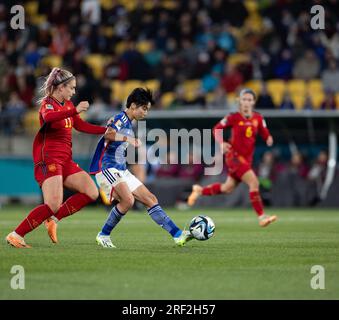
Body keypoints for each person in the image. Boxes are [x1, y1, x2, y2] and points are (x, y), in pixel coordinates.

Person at [6, 67, 107, 248]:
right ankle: (16, 235)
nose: (74, 91)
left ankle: (53, 219)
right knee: (53, 203)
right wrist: (75, 110)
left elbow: (81, 126)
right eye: (71, 88)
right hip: (49, 158)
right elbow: (49, 117)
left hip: (65, 160)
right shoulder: (48, 104)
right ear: (60, 87)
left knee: (91, 191)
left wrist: (106, 131)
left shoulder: (68, 105)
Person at [89, 88, 192, 248]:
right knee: (128, 200)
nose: (146, 113)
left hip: (121, 169)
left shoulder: (130, 123)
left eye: (147, 109)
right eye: (144, 108)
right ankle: (103, 235)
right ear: (133, 105)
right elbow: (107, 134)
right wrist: (128, 139)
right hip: (106, 168)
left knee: (150, 199)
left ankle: (178, 235)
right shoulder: (119, 119)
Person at [187, 88, 277, 227]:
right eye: (244, 99)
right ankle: (262, 217)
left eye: (249, 99)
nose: (246, 102)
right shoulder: (233, 117)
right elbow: (216, 129)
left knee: (227, 188)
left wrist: (268, 138)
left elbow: (264, 132)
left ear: (253, 102)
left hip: (247, 160)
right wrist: (221, 143)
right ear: (239, 101)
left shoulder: (258, 118)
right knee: (254, 183)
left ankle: (199, 190)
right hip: (234, 157)